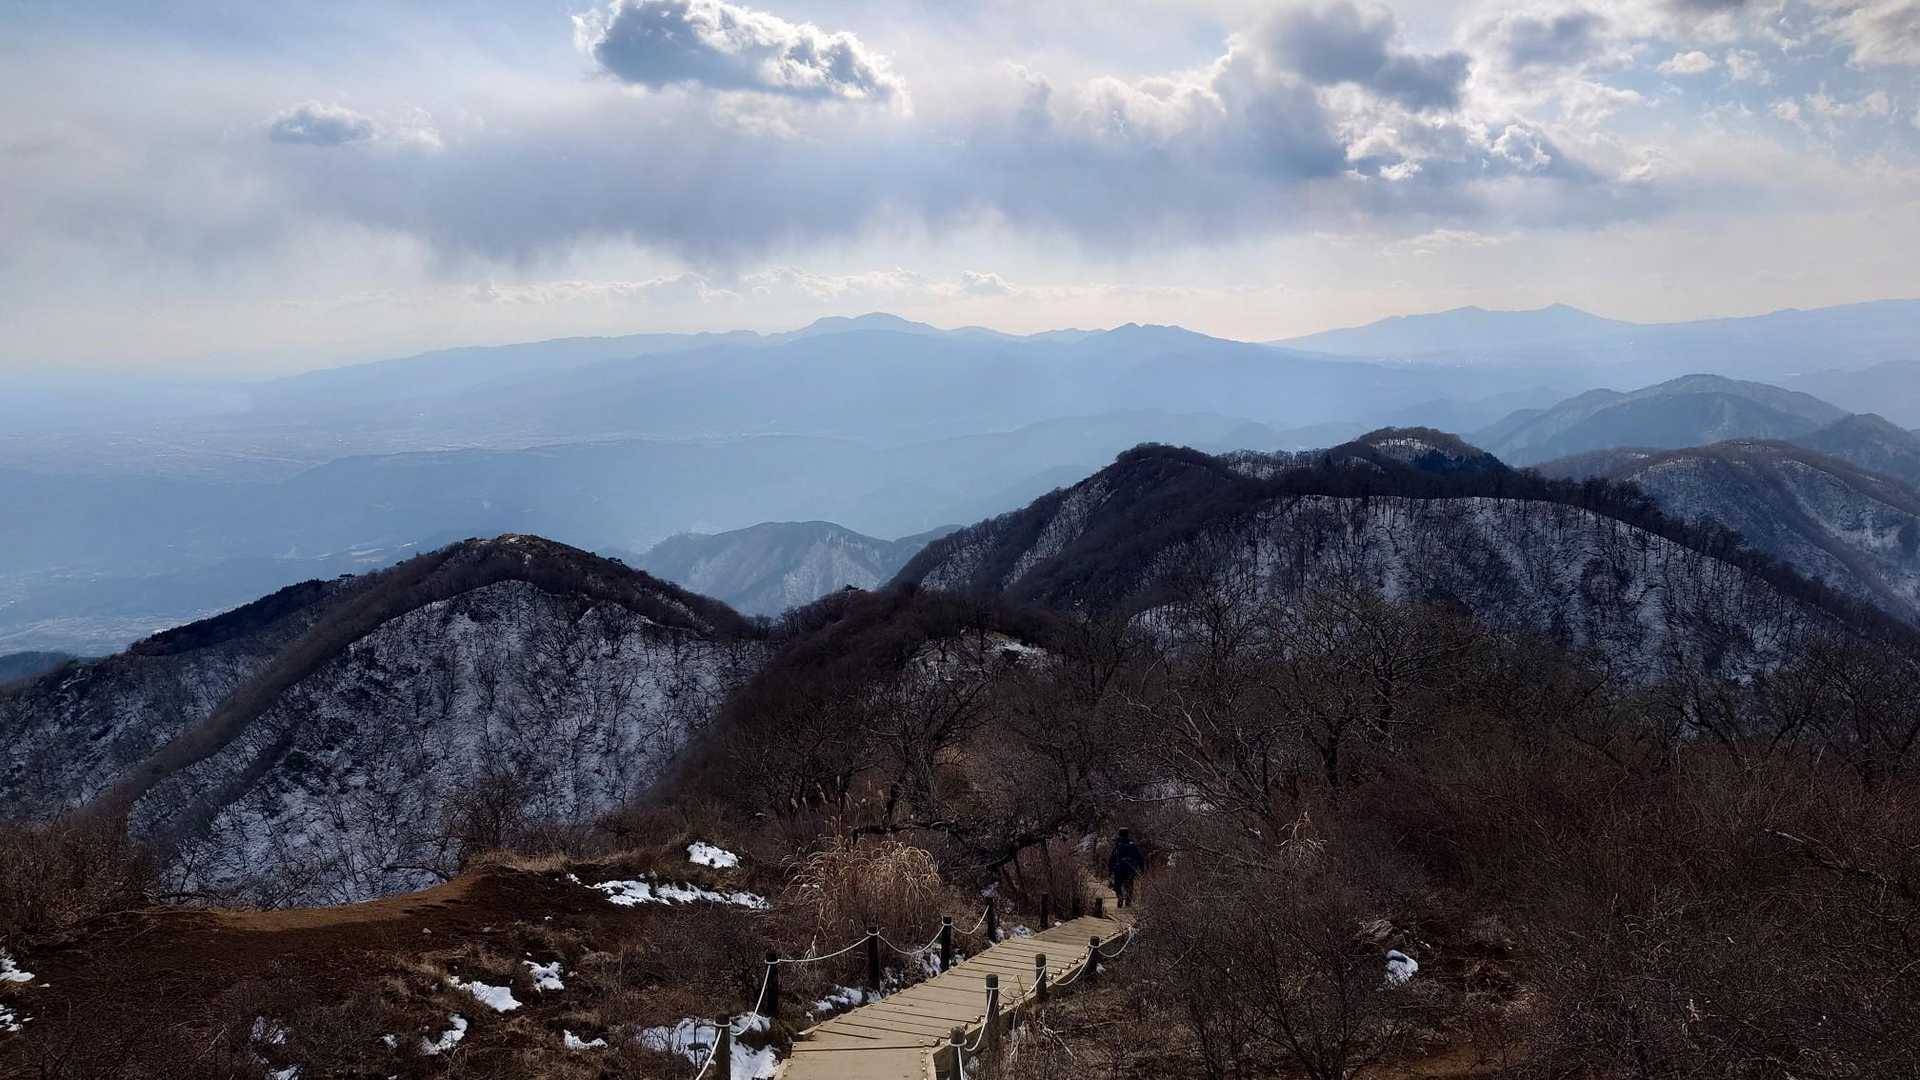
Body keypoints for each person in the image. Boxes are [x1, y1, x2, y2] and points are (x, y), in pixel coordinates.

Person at [1107, 829, 1146, 909]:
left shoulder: (1118, 845)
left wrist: (1110, 871)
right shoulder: (1133, 846)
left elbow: (1112, 859)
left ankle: (1120, 897)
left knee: (1118, 885)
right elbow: (1140, 858)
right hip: (1130, 869)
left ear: (1119, 834)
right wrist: (1142, 870)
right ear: (1127, 835)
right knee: (1129, 886)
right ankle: (1128, 902)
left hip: (1119, 869)